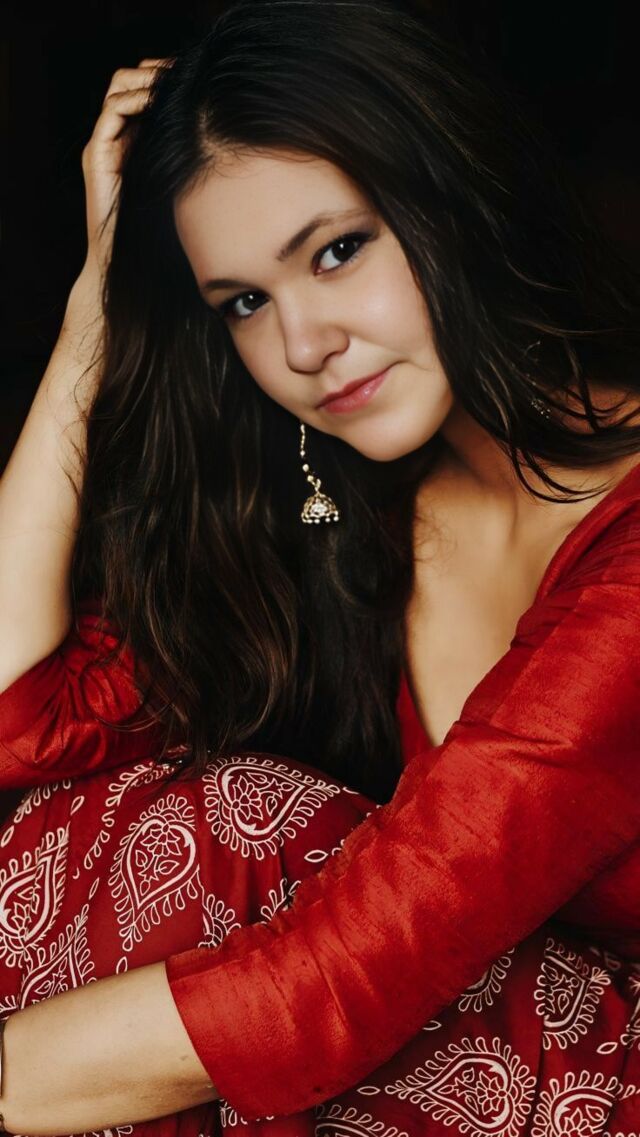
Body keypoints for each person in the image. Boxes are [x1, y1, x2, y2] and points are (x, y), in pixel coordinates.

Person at [1, 0, 640, 1133]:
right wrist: (92, 316)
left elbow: (343, 970)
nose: (303, 346)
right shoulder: (351, 514)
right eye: (245, 302)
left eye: (337, 252)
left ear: (456, 200)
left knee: (235, 839)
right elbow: (24, 719)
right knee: (102, 827)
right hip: (467, 1052)